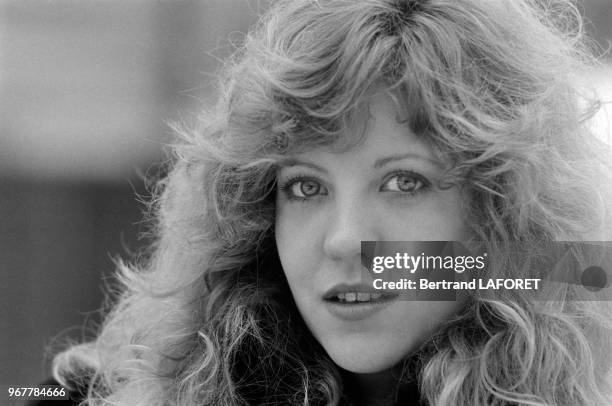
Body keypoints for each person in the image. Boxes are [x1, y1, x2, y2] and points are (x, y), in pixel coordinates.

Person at [42, 0, 612, 405]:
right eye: (306, 187)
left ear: (502, 211)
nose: (343, 240)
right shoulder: (99, 394)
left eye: (404, 182)